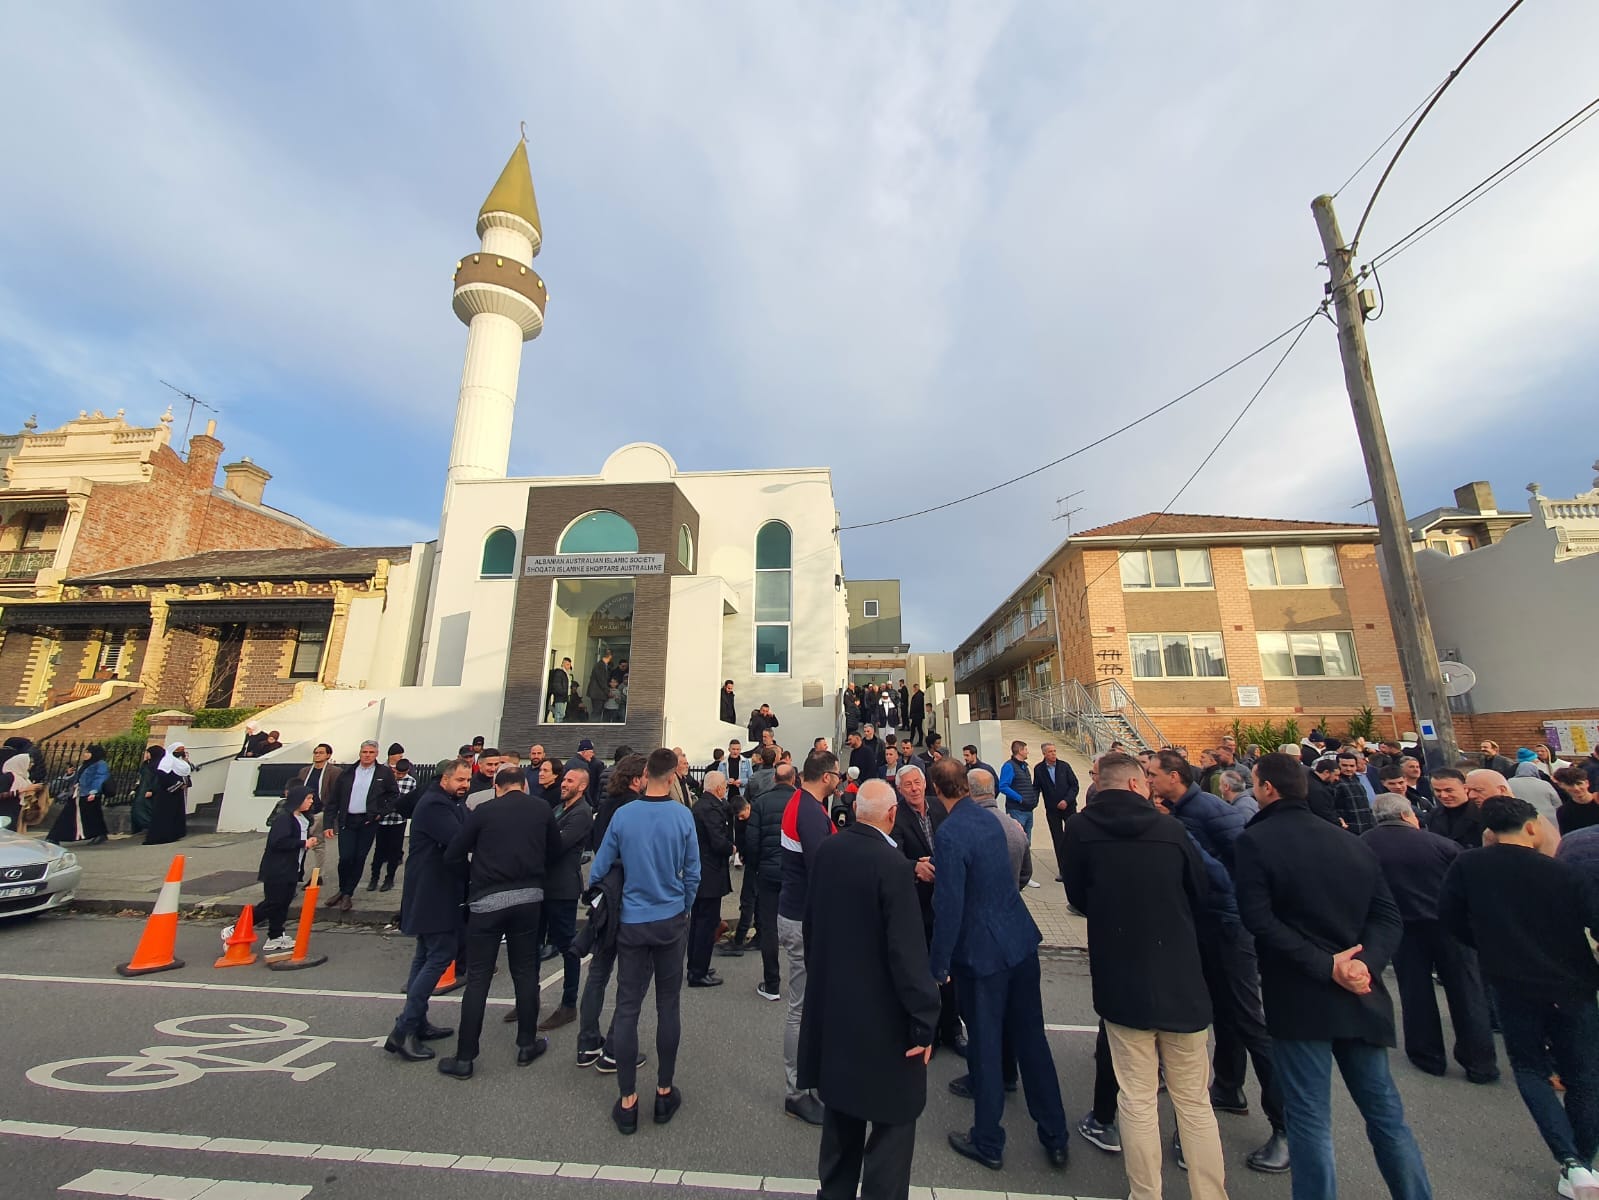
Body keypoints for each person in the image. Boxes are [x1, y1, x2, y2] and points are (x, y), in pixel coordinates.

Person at [1234, 752, 1431, 1200]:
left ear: (1266, 788)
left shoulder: (1256, 841)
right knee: (1385, 1115)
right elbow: (1387, 916)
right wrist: (1365, 964)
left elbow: (1258, 918)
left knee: (1308, 1118)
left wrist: (1328, 966)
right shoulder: (1352, 841)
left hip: (1301, 994)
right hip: (1362, 992)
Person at [1061, 751, 1227, 1200]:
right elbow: (1200, 893)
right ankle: (1209, 1193)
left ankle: (1145, 1193)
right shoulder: (1171, 829)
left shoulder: (1079, 830)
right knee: (1193, 1102)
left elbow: (1078, 894)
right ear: (1136, 784)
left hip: (1120, 976)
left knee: (1135, 1097)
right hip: (1179, 977)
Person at [1442, 794, 1599, 1199]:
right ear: (1532, 826)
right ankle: (1582, 1158)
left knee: (1530, 1069)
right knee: (1583, 1074)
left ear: (1490, 831)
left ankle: (1570, 1160)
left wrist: (1487, 945)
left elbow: (1451, 918)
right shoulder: (1561, 872)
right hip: (1573, 982)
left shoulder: (1468, 866)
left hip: (1510, 981)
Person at [800, 778, 941, 1200]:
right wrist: (924, 1021)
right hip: (883, 1020)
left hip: (836, 1007)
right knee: (891, 1131)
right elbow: (907, 954)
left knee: (840, 1123)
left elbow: (812, 926)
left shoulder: (828, 850)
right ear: (892, 815)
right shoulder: (893, 865)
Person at [927, 756, 1069, 1172]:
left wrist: (939, 965)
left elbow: (949, 904)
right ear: (968, 788)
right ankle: (1055, 1135)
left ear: (939, 791)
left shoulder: (950, 832)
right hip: (1019, 940)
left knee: (986, 1046)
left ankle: (988, 1139)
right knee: (1032, 1042)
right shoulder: (994, 821)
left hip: (982, 954)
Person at [587, 747, 700, 1134]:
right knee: (669, 1004)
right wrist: (682, 906)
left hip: (632, 922)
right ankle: (664, 1091)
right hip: (669, 920)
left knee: (627, 1006)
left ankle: (627, 1100)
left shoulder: (624, 814)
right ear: (672, 778)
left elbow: (599, 868)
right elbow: (693, 874)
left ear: (646, 772)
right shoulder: (682, 815)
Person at [1360, 794, 1497, 1083]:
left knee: (1415, 992)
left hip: (1401, 928)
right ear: (1408, 814)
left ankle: (1427, 1055)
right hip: (1450, 926)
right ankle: (1480, 1061)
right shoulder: (1441, 844)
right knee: (1467, 991)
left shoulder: (1363, 844)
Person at [435, 764, 560, 1079]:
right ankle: (526, 1044)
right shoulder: (541, 809)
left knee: (478, 978)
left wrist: (475, 877)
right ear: (523, 784)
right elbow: (555, 851)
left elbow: (453, 854)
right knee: (524, 970)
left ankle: (465, 1057)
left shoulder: (484, 811)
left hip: (487, 899)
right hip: (529, 897)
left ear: (497, 786)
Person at [384, 758, 471, 1063]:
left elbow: (467, 825)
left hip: (437, 887)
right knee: (440, 953)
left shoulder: (448, 801)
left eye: (468, 780)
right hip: (434, 890)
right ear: (445, 778)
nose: (465, 785)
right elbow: (459, 839)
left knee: (425, 954)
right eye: (460, 780)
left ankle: (416, 1021)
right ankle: (404, 1029)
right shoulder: (435, 804)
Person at [777, 750, 840, 1125]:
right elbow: (824, 868)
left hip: (798, 914)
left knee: (808, 1005)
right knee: (800, 1008)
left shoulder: (804, 804)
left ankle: (807, 1081)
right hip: (803, 918)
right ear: (828, 777)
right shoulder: (810, 812)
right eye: (837, 776)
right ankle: (796, 1091)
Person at [576, 753, 648, 1068]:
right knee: (630, 978)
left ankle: (588, 1043)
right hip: (628, 894)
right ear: (636, 779)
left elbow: (597, 847)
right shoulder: (636, 809)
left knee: (598, 973)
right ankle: (615, 1049)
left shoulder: (605, 807)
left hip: (605, 894)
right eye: (646, 776)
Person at [890, 764, 963, 1058]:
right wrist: (913, 867)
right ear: (900, 789)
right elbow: (891, 853)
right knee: (921, 971)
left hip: (945, 898)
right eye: (907, 785)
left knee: (948, 968)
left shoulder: (939, 808)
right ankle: (925, 1031)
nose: (914, 789)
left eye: (917, 783)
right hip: (917, 903)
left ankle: (953, 1030)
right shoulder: (896, 816)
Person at [323, 740, 399, 911]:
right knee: (345, 858)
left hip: (367, 822)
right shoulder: (348, 773)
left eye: (371, 752)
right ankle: (343, 889)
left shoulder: (383, 773)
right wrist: (328, 823)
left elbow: (394, 795)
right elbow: (334, 799)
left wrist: (380, 813)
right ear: (360, 753)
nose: (367, 755)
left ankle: (348, 893)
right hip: (347, 820)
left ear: (376, 754)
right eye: (365, 752)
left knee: (359, 858)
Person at [1146, 749, 1246, 873]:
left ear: (1173, 777)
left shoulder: (1212, 808)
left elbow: (1241, 856)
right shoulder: (1171, 811)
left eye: (1153, 775)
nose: (1149, 780)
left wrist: (1222, 888)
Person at [744, 760, 793, 1002]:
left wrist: (755, 866)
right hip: (796, 873)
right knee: (803, 924)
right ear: (793, 780)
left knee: (769, 927)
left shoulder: (760, 803)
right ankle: (803, 983)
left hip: (768, 871)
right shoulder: (802, 802)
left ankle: (772, 983)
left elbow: (751, 841)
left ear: (774, 779)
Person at [687, 771, 740, 988]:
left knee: (698, 922)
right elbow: (718, 842)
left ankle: (696, 965)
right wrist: (732, 848)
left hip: (701, 872)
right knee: (706, 924)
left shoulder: (702, 805)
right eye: (724, 788)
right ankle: (698, 972)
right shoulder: (710, 809)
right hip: (709, 874)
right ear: (718, 788)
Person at [259, 785, 318, 953]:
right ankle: (237, 928)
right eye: (308, 798)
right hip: (277, 868)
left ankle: (276, 935)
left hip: (293, 867)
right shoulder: (285, 818)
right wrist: (303, 843)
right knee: (272, 903)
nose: (311, 802)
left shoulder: (302, 818)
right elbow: (277, 842)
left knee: (283, 903)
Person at [290, 743, 340, 884]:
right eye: (315, 752)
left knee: (317, 843)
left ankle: (317, 875)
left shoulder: (334, 772)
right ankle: (298, 872)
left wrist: (329, 812)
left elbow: (336, 793)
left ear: (328, 755)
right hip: (303, 812)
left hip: (320, 812)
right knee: (299, 841)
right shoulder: (305, 771)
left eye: (321, 752)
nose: (317, 755)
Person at [1034, 742, 1080, 883]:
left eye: (1054, 751)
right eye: (1050, 752)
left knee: (1073, 837)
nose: (1053, 754)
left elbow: (1074, 785)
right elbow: (1037, 787)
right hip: (1052, 810)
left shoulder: (1064, 766)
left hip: (1069, 807)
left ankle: (1077, 868)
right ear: (1044, 754)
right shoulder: (1039, 769)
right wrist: (1031, 802)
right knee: (1058, 839)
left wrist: (1066, 800)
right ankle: (1063, 871)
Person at [48, 744, 110, 846]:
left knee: (92, 816)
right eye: (85, 752)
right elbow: (78, 778)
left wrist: (94, 791)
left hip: (90, 794)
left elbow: (100, 778)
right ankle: (54, 837)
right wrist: (69, 774)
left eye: (88, 752)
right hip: (78, 794)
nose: (85, 754)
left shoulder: (100, 764)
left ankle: (100, 834)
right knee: (68, 815)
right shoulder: (84, 764)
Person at [370, 757, 413, 893]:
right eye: (397, 773)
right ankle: (374, 878)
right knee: (379, 851)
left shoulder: (411, 782)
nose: (398, 776)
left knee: (394, 852)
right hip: (382, 820)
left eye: (402, 774)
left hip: (398, 821)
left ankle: (389, 879)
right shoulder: (387, 779)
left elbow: (409, 800)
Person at [145, 742, 191, 845]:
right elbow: (163, 775)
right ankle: (161, 837)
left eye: (182, 750)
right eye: (178, 750)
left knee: (175, 814)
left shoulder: (181, 762)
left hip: (178, 793)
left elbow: (186, 773)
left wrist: (185, 783)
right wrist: (177, 784)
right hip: (167, 792)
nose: (180, 752)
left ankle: (174, 834)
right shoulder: (167, 761)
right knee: (164, 814)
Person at [1425, 767, 1482, 848]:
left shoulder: (1482, 814)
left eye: (1448, 790)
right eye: (1438, 791)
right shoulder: (1433, 815)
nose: (1443, 795)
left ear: (1465, 788)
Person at [996, 740, 1038, 844]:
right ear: (1020, 750)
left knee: (1027, 842)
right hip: (1017, 810)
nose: (1028, 752)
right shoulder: (1009, 766)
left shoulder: (1024, 766)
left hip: (1028, 809)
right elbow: (1003, 786)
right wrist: (1020, 799)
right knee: (1018, 841)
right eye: (1026, 749)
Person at [1555, 767, 1599, 835]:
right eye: (1570, 785)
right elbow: (1567, 838)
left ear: (1587, 783)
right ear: (1562, 786)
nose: (1576, 788)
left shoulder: (1597, 800)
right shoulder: (1564, 812)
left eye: (1579, 783)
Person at [131, 744, 162, 835]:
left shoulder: (158, 764)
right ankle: (139, 827)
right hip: (142, 789)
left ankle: (150, 826)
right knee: (137, 808)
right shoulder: (145, 764)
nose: (147, 754)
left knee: (146, 809)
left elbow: (157, 778)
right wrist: (135, 787)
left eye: (149, 753)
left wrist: (152, 790)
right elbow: (140, 777)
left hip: (150, 790)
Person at [566, 738, 602, 806]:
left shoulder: (569, 762)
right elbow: (585, 789)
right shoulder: (583, 766)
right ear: (585, 751)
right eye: (591, 752)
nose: (592, 755)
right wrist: (592, 805)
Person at [586, 649, 614, 721]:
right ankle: (593, 728)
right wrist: (608, 692)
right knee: (596, 712)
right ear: (610, 656)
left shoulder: (602, 665)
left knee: (597, 712)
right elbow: (602, 681)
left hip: (598, 693)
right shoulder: (600, 666)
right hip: (598, 693)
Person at [548, 656, 573, 722]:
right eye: (567, 664)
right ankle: (556, 729)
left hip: (564, 697)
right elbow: (557, 685)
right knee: (559, 715)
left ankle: (549, 707)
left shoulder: (566, 674)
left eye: (569, 664)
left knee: (561, 714)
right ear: (563, 664)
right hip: (560, 697)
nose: (569, 666)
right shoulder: (559, 673)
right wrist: (562, 693)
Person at [908, 683, 926, 747]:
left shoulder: (919, 695)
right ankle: (912, 740)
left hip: (917, 715)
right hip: (917, 715)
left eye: (914, 688)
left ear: (916, 688)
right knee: (916, 728)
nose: (913, 689)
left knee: (918, 728)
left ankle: (918, 741)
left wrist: (912, 713)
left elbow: (916, 706)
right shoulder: (919, 695)